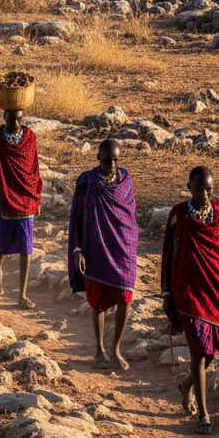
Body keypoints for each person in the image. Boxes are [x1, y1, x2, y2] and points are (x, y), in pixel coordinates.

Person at [162, 165, 219, 436]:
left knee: (211, 352)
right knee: (197, 350)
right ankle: (204, 414)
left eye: (209, 189)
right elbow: (168, 255)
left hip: (215, 290)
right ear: (189, 187)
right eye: (199, 189)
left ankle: (188, 384)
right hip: (187, 291)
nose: (204, 194)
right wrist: (167, 293)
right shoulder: (178, 215)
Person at [69, 139, 138, 370]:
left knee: (125, 297)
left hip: (122, 247)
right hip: (95, 246)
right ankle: (99, 350)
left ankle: (115, 348)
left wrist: (131, 242)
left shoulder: (125, 181)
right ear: (98, 158)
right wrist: (77, 249)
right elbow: (77, 218)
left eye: (116, 160)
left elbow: (129, 214)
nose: (112, 164)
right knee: (97, 302)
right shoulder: (87, 182)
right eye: (108, 160)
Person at [0, 108, 43, 309]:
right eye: (11, 119)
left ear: (23, 120)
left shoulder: (29, 136)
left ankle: (22, 295)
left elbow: (34, 167)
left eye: (18, 120)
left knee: (26, 245)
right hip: (2, 192)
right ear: (4, 118)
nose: (15, 124)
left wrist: (36, 196)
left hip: (25, 194)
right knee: (2, 240)